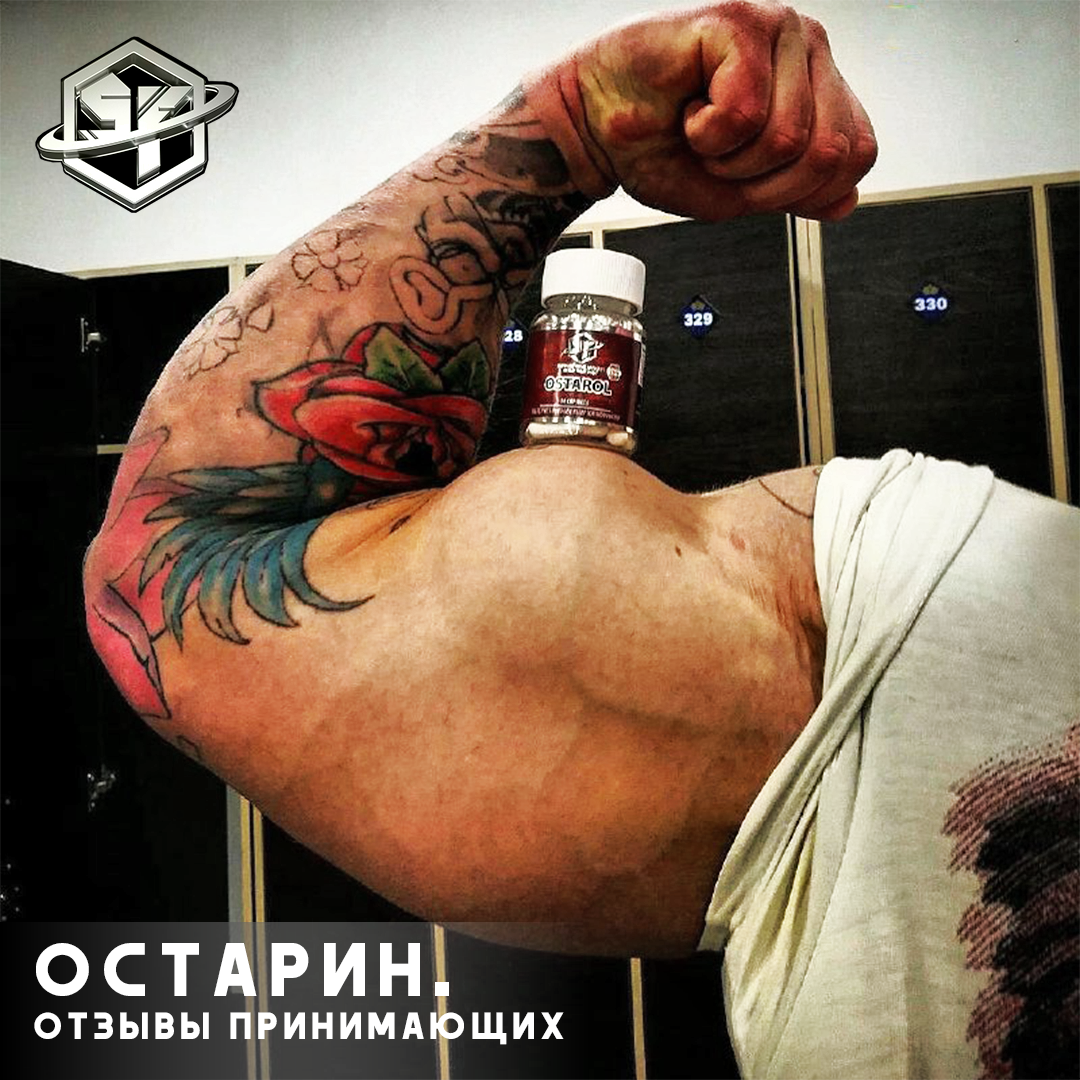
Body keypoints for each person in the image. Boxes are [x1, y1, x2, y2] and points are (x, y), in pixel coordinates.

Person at [83, 3, 1078, 1077]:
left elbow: (178, 560)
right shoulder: (956, 623)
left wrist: (572, 130)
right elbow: (181, 567)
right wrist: (571, 125)